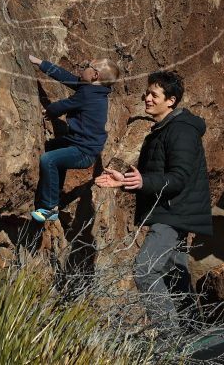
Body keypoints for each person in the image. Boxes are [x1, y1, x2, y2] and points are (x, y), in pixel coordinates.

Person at [95, 71, 213, 331]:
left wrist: (143, 183)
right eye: (146, 93)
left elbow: (179, 178)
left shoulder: (181, 131)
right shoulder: (161, 131)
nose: (147, 98)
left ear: (170, 101)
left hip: (174, 214)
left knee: (145, 269)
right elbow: (156, 176)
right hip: (169, 211)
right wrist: (125, 181)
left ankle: (170, 338)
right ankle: (194, 335)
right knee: (175, 277)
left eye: (153, 95)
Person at [28, 54, 119, 223]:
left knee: (48, 159)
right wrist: (41, 63)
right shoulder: (94, 90)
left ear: (95, 75)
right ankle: (53, 194)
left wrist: (50, 110)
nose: (82, 69)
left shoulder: (89, 94)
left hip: (83, 152)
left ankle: (49, 208)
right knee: (51, 150)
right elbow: (67, 78)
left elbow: (64, 105)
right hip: (76, 144)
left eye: (87, 67)